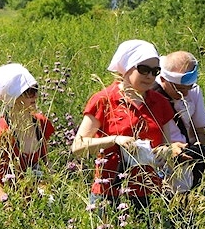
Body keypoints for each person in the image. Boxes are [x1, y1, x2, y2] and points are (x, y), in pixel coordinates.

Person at [71, 39, 187, 210]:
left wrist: (171, 149)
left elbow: (164, 145)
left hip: (150, 191)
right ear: (126, 68)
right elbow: (78, 147)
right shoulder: (103, 100)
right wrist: (115, 140)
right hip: (110, 191)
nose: (149, 76)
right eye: (143, 69)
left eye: (155, 71)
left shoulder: (160, 102)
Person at [0, 63, 55, 209]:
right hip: (2, 200)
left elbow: (46, 166)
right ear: (12, 97)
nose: (34, 96)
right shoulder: (0, 133)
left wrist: (47, 193)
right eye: (28, 92)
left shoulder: (40, 124)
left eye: (35, 90)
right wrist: (9, 203)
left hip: (32, 196)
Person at [156, 50, 205, 194]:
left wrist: (199, 150)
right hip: (160, 163)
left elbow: (199, 131)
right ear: (163, 79)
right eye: (179, 89)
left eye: (189, 88)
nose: (185, 94)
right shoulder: (150, 95)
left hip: (188, 163)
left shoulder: (194, 91)